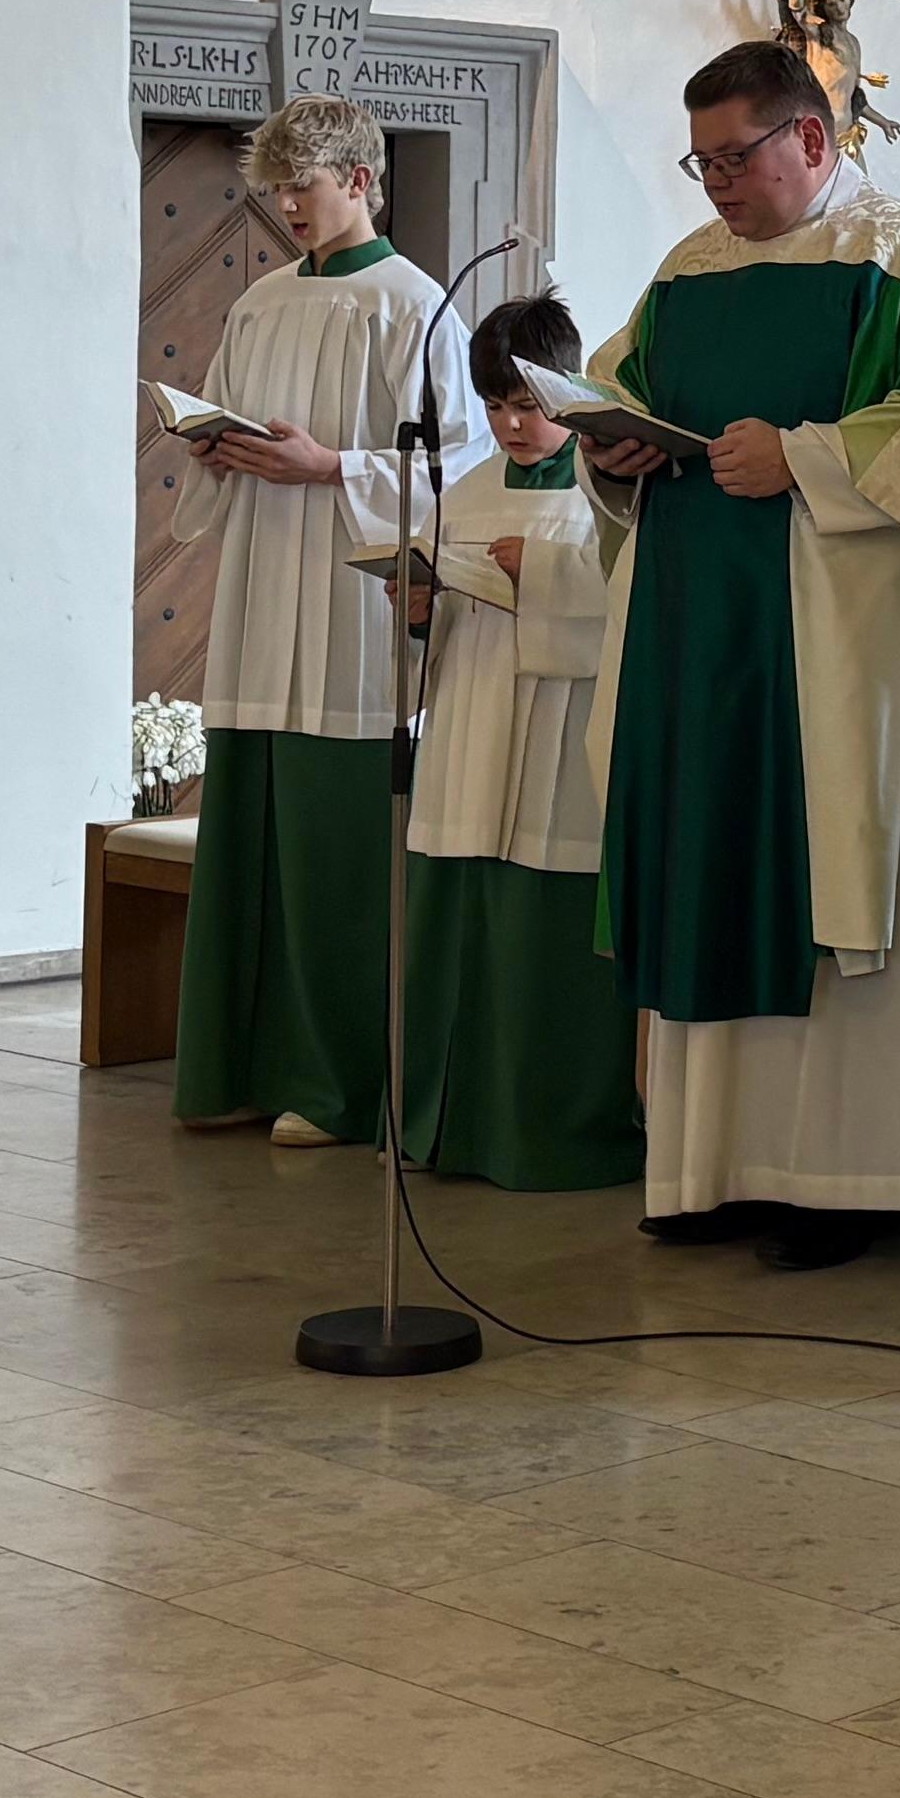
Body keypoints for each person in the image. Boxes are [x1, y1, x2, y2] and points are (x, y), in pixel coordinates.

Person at [577, 38, 900, 1269]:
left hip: (839, 642)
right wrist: (612, 453)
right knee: (710, 855)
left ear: (814, 141)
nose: (713, 185)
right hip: (696, 632)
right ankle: (713, 1170)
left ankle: (850, 1180)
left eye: (736, 158)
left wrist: (808, 459)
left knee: (829, 869)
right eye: (700, 161)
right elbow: (615, 386)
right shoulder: (686, 273)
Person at [161, 95, 459, 1150]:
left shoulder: (413, 305)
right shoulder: (260, 301)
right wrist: (216, 445)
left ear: (363, 181)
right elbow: (234, 419)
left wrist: (330, 465)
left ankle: (336, 1087)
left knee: (336, 863)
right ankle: (236, 1070)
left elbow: (459, 466)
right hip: (259, 592)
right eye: (278, 189)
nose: (289, 207)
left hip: (349, 605)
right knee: (248, 846)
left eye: (308, 186)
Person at [395, 293, 644, 1192]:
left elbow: (627, 599)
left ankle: (553, 1136)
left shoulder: (608, 487)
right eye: (495, 405)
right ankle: (448, 1128)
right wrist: (418, 607)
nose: (511, 424)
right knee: (459, 929)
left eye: (528, 404)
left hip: (561, 733)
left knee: (545, 945)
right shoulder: (459, 491)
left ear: (566, 389)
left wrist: (533, 570)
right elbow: (431, 610)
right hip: (470, 723)